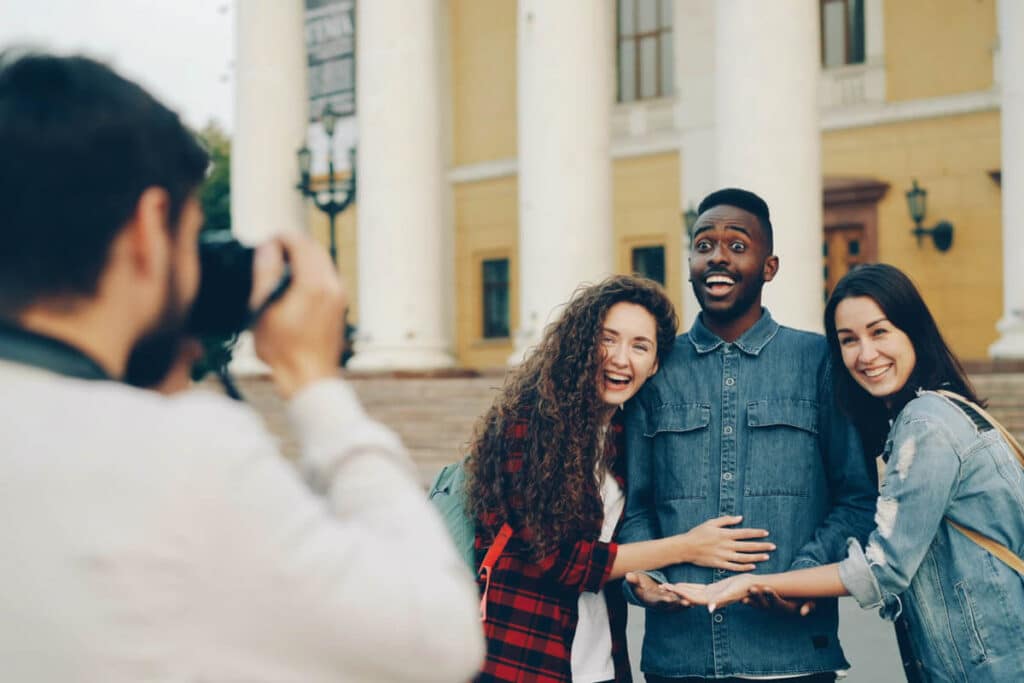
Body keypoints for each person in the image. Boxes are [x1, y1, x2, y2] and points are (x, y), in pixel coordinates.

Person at [0, 51, 483, 682]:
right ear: (149, 228)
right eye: (191, 234)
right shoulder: (183, 455)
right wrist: (314, 381)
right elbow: (438, 641)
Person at [670, 263, 1024, 682]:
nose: (865, 354)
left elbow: (883, 567)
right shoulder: (943, 412)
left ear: (913, 331)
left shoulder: (926, 425)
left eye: (879, 332)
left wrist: (756, 583)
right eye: (848, 340)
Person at [619, 188, 878, 682]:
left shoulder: (819, 362)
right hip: (680, 660)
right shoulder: (657, 368)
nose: (717, 256)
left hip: (792, 660)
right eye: (703, 245)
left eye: (737, 246)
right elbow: (638, 506)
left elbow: (857, 498)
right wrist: (648, 581)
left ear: (769, 266)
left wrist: (797, 579)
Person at [465, 275, 775, 683]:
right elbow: (562, 560)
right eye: (607, 339)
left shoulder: (621, 434)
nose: (620, 358)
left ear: (656, 364)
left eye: (639, 346)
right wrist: (687, 547)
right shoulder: (528, 423)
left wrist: (651, 581)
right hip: (522, 656)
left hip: (600, 657)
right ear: (579, 344)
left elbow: (626, 535)